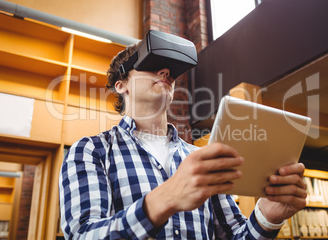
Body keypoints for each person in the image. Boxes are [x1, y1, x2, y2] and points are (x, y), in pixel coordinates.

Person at [59, 40, 307, 239]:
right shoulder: (91, 151)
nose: (166, 72)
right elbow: (83, 234)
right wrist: (165, 198)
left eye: (170, 70)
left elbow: (235, 235)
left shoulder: (200, 159)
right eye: (151, 64)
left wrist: (267, 217)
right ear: (121, 85)